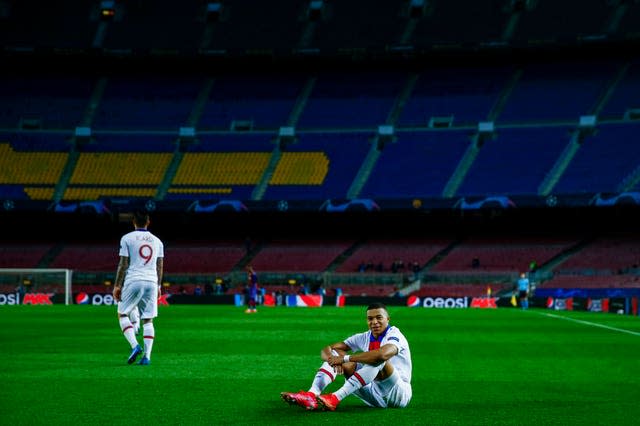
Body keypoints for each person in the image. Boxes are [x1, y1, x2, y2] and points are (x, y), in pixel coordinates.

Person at [281, 302, 412, 411]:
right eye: (370, 319)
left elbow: (382, 354)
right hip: (374, 395)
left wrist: (345, 359)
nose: (374, 322)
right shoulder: (363, 337)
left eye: (379, 317)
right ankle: (311, 395)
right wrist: (334, 360)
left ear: (387, 319)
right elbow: (328, 349)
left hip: (399, 393)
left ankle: (335, 398)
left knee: (378, 359)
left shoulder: (395, 334)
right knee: (336, 353)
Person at [112, 211, 164, 366]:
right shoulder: (157, 241)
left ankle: (135, 345)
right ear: (149, 222)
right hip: (152, 281)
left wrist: (117, 285)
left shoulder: (127, 238)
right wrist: (159, 285)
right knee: (148, 319)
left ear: (133, 221)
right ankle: (147, 357)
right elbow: (160, 265)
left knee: (122, 314)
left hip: (134, 279)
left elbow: (123, 264)